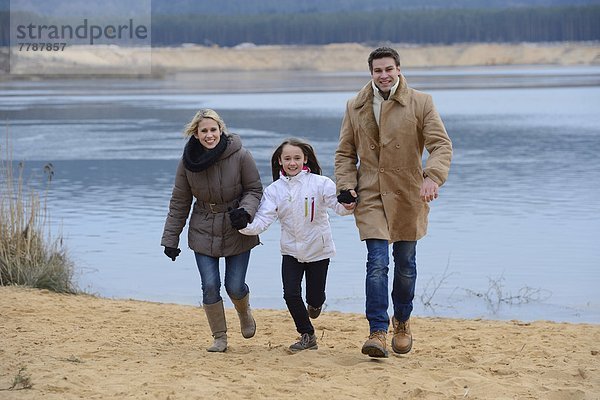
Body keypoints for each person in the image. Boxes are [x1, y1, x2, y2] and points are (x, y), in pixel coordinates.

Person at [334, 47, 452, 358]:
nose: (384, 75)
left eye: (389, 69)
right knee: (376, 264)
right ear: (370, 73)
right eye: (377, 71)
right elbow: (345, 153)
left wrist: (432, 177)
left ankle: (402, 321)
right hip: (371, 192)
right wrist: (346, 188)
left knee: (406, 266)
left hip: (408, 193)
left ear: (398, 69)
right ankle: (377, 330)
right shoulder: (355, 105)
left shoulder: (421, 102)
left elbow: (440, 145)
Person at [161, 108, 263, 353]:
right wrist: (170, 238)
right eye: (204, 131)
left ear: (221, 130)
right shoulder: (187, 164)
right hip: (203, 227)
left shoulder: (241, 155)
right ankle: (220, 338)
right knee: (209, 285)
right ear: (195, 134)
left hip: (237, 226)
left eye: (213, 130)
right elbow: (179, 201)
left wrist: (246, 211)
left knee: (235, 286)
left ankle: (244, 311)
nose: (209, 135)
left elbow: (255, 190)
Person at [239, 138, 354, 352]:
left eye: (297, 158)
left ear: (305, 159)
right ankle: (307, 335)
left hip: (318, 250)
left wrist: (348, 201)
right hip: (291, 251)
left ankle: (316, 303)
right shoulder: (274, 190)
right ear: (280, 162)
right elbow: (263, 220)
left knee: (315, 297)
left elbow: (340, 208)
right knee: (290, 294)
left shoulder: (321, 183)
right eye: (287, 158)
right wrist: (243, 225)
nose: (292, 163)